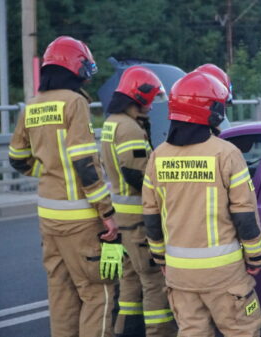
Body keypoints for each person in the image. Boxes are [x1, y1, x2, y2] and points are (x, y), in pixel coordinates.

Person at [9, 36, 120, 337]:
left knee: (61, 296)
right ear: (74, 66)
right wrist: (106, 212)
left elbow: (17, 158)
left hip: (48, 215)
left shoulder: (31, 105)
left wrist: (47, 170)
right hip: (80, 218)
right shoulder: (75, 102)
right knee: (98, 294)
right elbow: (85, 163)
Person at [142, 71, 261, 337]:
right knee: (244, 331)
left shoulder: (158, 157)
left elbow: (151, 217)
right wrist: (256, 255)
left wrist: (160, 258)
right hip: (223, 273)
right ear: (211, 110)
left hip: (179, 274)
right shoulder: (226, 154)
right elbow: (244, 214)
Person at [101, 66, 177, 337]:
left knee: (130, 281)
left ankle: (126, 331)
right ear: (139, 96)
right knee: (154, 281)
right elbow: (136, 174)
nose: (151, 106)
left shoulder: (112, 122)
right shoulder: (129, 128)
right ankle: (160, 332)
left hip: (124, 219)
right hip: (137, 220)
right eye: (150, 99)